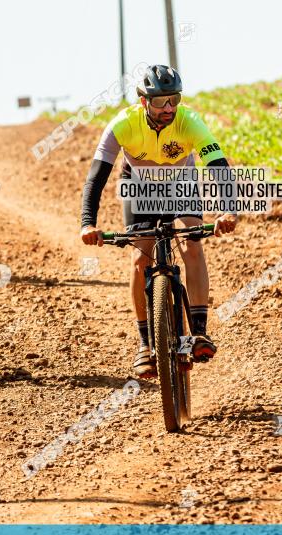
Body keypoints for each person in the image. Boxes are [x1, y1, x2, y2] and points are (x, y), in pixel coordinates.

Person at [79, 64, 237, 378]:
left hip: (180, 182)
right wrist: (87, 222)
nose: (169, 108)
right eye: (160, 102)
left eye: (174, 99)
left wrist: (227, 209)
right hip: (139, 185)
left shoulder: (189, 120)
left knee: (192, 244)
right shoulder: (122, 124)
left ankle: (200, 331)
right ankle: (144, 344)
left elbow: (217, 164)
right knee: (140, 259)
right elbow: (96, 177)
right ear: (143, 102)